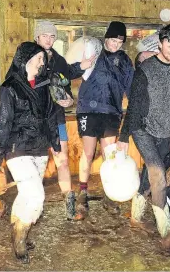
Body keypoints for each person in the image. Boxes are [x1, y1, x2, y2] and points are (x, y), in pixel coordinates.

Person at [119, 25, 170, 250]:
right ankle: (166, 229)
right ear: (160, 43)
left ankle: (136, 214)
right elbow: (134, 106)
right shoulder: (146, 69)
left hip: (165, 131)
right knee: (159, 174)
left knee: (150, 176)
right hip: (142, 129)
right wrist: (123, 136)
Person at [0, 41, 60, 264]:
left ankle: (20, 230)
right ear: (26, 60)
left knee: (26, 194)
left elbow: (50, 116)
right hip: (16, 148)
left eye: (43, 59)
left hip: (39, 148)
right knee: (36, 195)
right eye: (39, 58)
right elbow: (2, 123)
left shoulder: (43, 85)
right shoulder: (9, 87)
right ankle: (19, 241)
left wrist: (56, 146)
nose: (43, 62)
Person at [33, 21, 96, 220]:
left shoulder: (58, 59)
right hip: (35, 121)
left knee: (63, 161)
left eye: (52, 36)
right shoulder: (29, 57)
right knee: (36, 164)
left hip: (57, 118)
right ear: (36, 37)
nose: (49, 40)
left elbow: (65, 78)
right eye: (45, 36)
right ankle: (33, 206)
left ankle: (69, 205)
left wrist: (69, 99)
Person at [75, 21, 134, 220]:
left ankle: (109, 195)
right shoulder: (94, 51)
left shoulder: (125, 60)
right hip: (88, 111)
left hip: (111, 111)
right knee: (88, 152)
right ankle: (82, 193)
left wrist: (135, 104)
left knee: (110, 155)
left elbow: (130, 88)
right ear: (106, 37)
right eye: (113, 39)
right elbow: (73, 70)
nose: (116, 44)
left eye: (120, 41)